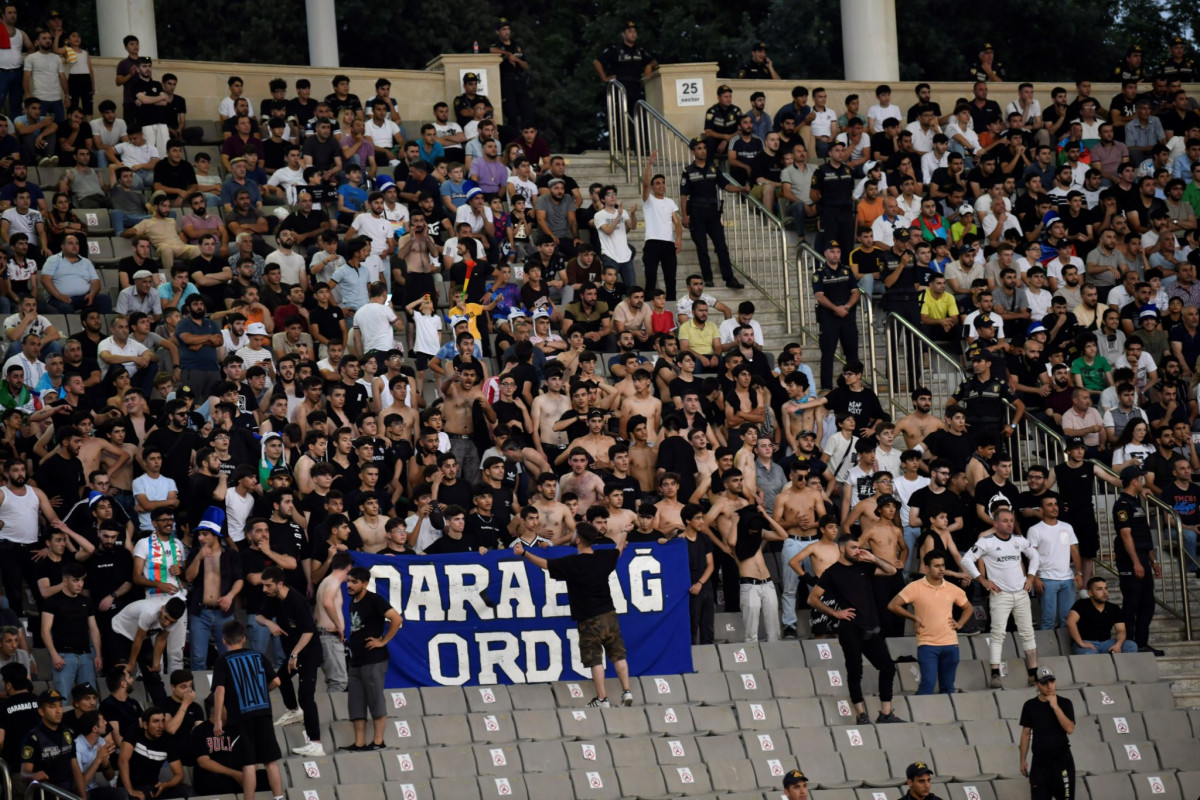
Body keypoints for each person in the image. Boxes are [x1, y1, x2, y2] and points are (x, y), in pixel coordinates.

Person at [514, 522, 633, 707]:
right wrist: (624, 531)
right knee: (618, 654)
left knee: (595, 659)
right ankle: (626, 691)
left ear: (578, 539)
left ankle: (602, 699)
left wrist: (524, 553)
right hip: (609, 614)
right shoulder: (604, 557)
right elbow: (618, 548)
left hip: (588, 618)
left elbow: (545, 565)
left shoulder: (572, 563)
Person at [807, 532, 905, 725]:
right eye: (853, 547)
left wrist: (873, 558)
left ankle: (885, 713)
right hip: (849, 629)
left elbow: (891, 571)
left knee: (887, 667)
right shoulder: (832, 572)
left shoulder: (864, 566)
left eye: (859, 547)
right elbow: (812, 599)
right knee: (855, 671)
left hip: (870, 626)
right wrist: (835, 613)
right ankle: (861, 714)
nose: (858, 550)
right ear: (842, 549)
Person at [962, 506, 1040, 687]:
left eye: (1011, 521)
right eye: (1005, 521)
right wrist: (982, 580)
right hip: (1000, 594)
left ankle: (1033, 673)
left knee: (1028, 633)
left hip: (1021, 593)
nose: (1009, 524)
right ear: (996, 523)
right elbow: (966, 559)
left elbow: (1034, 556)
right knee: (998, 634)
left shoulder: (1019, 540)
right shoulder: (986, 541)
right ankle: (995, 674)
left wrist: (1030, 576)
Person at [210, 620, 285, 800]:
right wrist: (262, 692)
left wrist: (218, 718)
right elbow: (276, 682)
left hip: (240, 717)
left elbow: (220, 690)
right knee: (270, 762)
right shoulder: (258, 655)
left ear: (224, 640)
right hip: (263, 713)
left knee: (249, 763)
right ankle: (279, 798)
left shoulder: (222, 661)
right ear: (244, 639)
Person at [258, 565, 324, 755]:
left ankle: (316, 743)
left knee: (306, 696)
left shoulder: (297, 600)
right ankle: (294, 711)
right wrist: (270, 623)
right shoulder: (273, 597)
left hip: (308, 653)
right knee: (281, 678)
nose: (264, 589)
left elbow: (309, 631)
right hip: (294, 652)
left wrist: (294, 654)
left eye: (268, 586)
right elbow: (259, 617)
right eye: (263, 585)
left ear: (280, 584)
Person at [888, 551, 973, 694]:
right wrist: (913, 617)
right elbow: (892, 605)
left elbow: (968, 607)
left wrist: (960, 624)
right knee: (928, 684)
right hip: (927, 644)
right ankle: (920, 715)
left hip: (950, 644)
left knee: (948, 687)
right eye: (937, 566)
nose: (941, 569)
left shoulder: (952, 588)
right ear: (927, 568)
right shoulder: (915, 586)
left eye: (943, 566)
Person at [340, 565, 403, 751]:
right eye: (348, 581)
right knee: (356, 702)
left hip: (374, 659)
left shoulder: (375, 599)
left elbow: (396, 619)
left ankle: (378, 742)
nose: (349, 585)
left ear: (365, 583)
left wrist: (383, 641)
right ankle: (359, 743)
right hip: (356, 659)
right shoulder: (353, 601)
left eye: (354, 582)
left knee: (375, 699)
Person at [679, 136, 747, 289]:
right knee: (702, 247)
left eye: (704, 148)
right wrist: (684, 215)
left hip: (713, 213)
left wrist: (740, 189)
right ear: (693, 152)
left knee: (721, 246)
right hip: (696, 212)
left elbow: (726, 186)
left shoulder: (713, 168)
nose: (702, 151)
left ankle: (729, 278)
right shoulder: (688, 171)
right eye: (699, 148)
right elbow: (683, 195)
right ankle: (707, 278)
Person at [1111, 466, 1163, 655]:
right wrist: (1136, 563)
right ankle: (1130, 643)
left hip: (1141, 556)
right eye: (1141, 479)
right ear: (1134, 481)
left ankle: (1142, 643)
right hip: (1130, 559)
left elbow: (1142, 536)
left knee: (1147, 603)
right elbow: (1126, 536)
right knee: (1132, 602)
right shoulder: (1123, 505)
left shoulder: (1136, 502)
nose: (1143, 482)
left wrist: (1153, 561)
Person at [1019, 666, 1076, 800]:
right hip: (1039, 763)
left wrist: (1055, 706)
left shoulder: (1065, 703)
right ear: (1037, 685)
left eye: (1052, 681)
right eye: (1045, 683)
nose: (1049, 686)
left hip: (1062, 761)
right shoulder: (1030, 706)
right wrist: (1022, 760)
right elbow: (1025, 734)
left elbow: (1070, 729)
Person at [19, 689, 84, 797]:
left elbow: (75, 767)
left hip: (69, 793)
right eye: (52, 706)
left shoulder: (67, 733)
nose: (58, 711)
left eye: (60, 705)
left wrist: (83, 797)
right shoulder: (32, 738)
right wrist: (34, 775)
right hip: (46, 794)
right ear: (41, 712)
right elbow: (24, 773)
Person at [1066, 576, 1138, 655]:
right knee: (1089, 654)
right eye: (1099, 589)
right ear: (1090, 593)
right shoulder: (1081, 604)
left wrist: (1118, 644)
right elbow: (1070, 622)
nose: (1104, 592)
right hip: (1086, 643)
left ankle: (1122, 667)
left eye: (1106, 588)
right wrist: (1081, 643)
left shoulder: (1113, 608)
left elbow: (1121, 630)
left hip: (1106, 643)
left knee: (1131, 645)